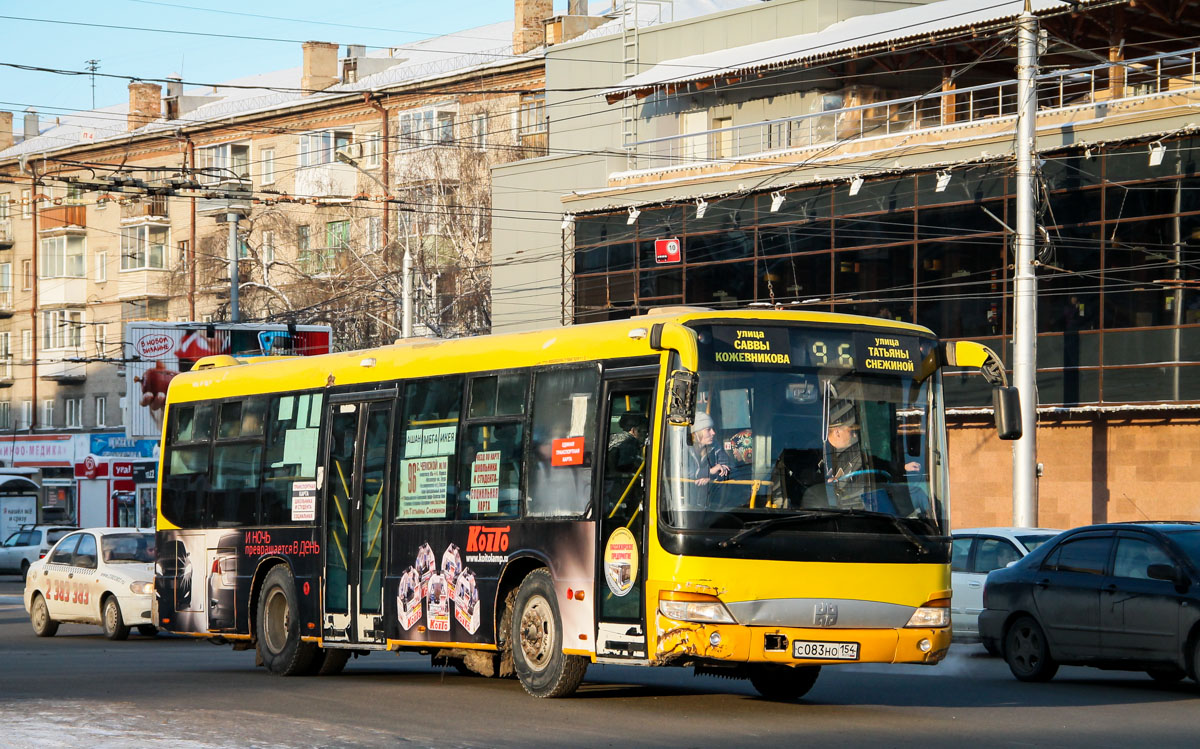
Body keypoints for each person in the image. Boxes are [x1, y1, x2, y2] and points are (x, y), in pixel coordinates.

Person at [686, 412, 730, 505]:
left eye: (712, 429)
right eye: (708, 429)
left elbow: (727, 465)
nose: (713, 433)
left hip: (711, 503)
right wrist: (709, 472)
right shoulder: (683, 448)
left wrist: (711, 477)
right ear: (696, 433)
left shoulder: (715, 446)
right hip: (685, 504)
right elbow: (683, 472)